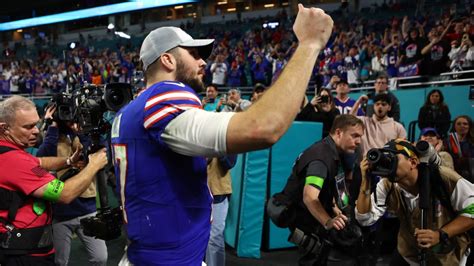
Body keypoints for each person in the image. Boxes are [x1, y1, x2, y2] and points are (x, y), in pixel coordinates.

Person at [111, 5, 334, 265]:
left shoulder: (127, 112)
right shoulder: (164, 98)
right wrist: (309, 44)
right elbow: (264, 127)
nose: (203, 61)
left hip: (152, 252)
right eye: (193, 54)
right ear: (168, 60)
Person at [0, 95, 107, 265]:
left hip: (24, 248)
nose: (36, 130)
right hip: (24, 255)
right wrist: (93, 165)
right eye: (28, 127)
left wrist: (68, 161)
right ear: (5, 128)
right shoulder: (14, 161)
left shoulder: (11, 153)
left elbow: (40, 162)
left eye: (36, 124)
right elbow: (65, 193)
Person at [355, 139, 474, 265]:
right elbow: (365, 219)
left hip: (449, 257)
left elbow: (472, 212)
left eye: (392, 158)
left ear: (413, 162)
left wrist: (440, 234)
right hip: (409, 254)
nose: (387, 163)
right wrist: (366, 181)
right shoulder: (387, 185)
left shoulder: (444, 178)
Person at [286, 114, 365, 265]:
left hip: (314, 217)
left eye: (360, 137)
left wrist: (335, 206)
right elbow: (310, 197)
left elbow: (329, 185)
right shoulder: (321, 157)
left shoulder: (332, 150)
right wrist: (328, 221)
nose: (358, 141)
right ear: (339, 132)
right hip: (306, 219)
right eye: (354, 135)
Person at [36, 105, 108, 266]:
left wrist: (81, 131)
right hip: (60, 212)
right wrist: (53, 127)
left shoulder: (82, 134)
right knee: (59, 261)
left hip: (87, 208)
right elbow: (43, 158)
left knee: (100, 258)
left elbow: (98, 152)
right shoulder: (52, 136)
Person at [205, 155, 237, 266]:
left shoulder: (225, 140)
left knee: (214, 237)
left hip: (218, 191)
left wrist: (216, 149)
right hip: (197, 191)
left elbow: (229, 163)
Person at [445, 115, 474, 182]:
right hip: (453, 171)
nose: (462, 126)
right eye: (458, 124)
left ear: (469, 126)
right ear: (454, 126)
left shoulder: (472, 141)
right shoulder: (447, 141)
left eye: (465, 124)